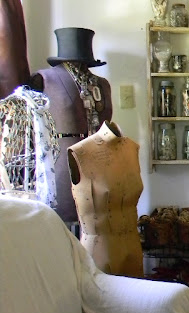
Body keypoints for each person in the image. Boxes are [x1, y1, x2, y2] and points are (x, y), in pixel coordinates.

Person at [28, 28, 112, 223]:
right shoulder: (44, 79)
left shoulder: (101, 84)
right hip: (63, 162)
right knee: (64, 218)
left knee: (98, 222)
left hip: (101, 160)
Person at [67, 120, 144, 278]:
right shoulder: (81, 151)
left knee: (136, 293)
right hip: (100, 251)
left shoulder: (131, 148)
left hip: (133, 248)